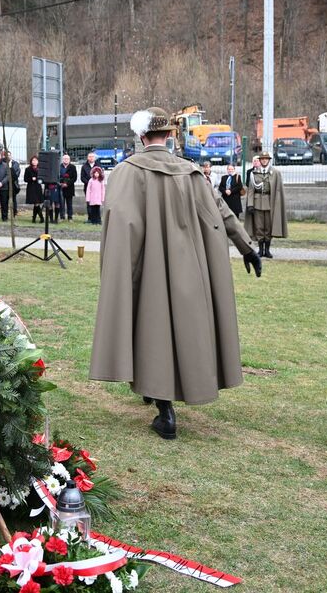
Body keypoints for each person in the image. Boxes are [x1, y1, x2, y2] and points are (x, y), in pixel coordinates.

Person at [89, 107, 262, 441]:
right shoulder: (191, 172)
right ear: (170, 136)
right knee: (174, 330)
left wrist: (122, 267)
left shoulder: (125, 173)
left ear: (141, 137)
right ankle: (160, 400)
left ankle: (164, 408)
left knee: (148, 327)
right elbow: (221, 212)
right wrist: (248, 247)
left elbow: (117, 221)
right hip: (186, 269)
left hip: (143, 265)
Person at [244, 152, 287, 258]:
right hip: (257, 202)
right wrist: (250, 204)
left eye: (266, 159)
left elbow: (278, 189)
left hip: (270, 202)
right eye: (262, 159)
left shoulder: (275, 173)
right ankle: (260, 250)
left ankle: (267, 250)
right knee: (259, 227)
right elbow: (251, 190)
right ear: (259, 160)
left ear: (269, 160)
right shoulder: (254, 173)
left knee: (268, 227)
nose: (264, 160)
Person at [23, 155, 45, 223]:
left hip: (38, 187)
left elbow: (43, 179)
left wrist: (38, 179)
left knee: (36, 203)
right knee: (36, 203)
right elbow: (25, 179)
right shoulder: (28, 169)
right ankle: (41, 218)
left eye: (36, 160)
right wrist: (31, 179)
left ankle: (34, 218)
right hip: (31, 187)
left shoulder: (40, 169)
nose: (34, 162)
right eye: (33, 160)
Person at [58, 154, 78, 220]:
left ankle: (70, 217)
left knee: (69, 203)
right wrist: (60, 183)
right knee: (61, 203)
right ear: (62, 159)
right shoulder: (59, 167)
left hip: (69, 188)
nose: (66, 160)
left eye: (67, 159)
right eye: (64, 158)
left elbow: (74, 178)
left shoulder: (73, 167)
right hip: (61, 188)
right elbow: (57, 176)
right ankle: (62, 217)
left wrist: (67, 184)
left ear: (69, 160)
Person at [6, 149, 21, 216]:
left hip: (13, 183)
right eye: (7, 155)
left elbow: (16, 174)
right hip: (6, 183)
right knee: (5, 199)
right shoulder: (3, 163)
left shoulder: (15, 164)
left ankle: (15, 211)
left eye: (9, 155)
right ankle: (6, 212)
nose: (8, 156)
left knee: (14, 199)